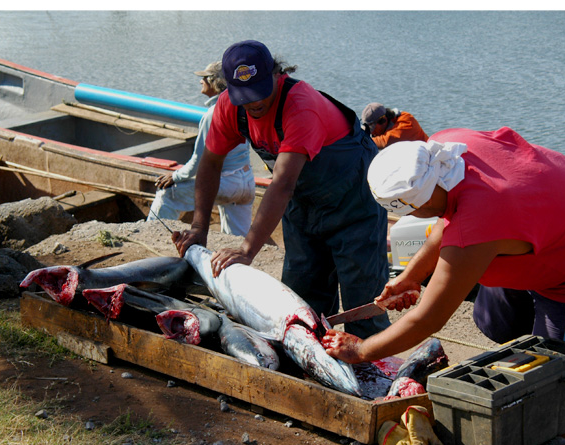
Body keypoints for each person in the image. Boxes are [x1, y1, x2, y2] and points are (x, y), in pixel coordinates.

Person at [322, 127, 565, 413]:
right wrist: (412, 276)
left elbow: (428, 318)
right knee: (494, 319)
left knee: (558, 378)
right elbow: (455, 217)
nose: (415, 215)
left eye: (411, 209)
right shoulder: (444, 150)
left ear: (421, 198)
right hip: (546, 220)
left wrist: (361, 349)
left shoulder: (478, 224)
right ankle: (533, 360)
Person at [172, 40, 390, 339]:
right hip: (303, 204)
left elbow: (282, 184)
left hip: (355, 201)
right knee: (303, 305)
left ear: (277, 74)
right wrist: (198, 227)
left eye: (260, 92)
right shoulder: (228, 108)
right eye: (244, 96)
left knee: (362, 305)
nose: (254, 103)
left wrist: (248, 249)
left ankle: (376, 375)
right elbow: (210, 165)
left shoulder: (300, 105)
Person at [148, 61, 255, 237]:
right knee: (236, 239)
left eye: (204, 77)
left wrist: (174, 176)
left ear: (215, 82)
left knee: (167, 194)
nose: (201, 81)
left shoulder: (213, 113)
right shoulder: (242, 107)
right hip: (247, 182)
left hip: (225, 183)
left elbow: (198, 162)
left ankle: (153, 237)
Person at [361, 102, 429, 149]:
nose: (372, 133)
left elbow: (387, 141)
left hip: (427, 161)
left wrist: (362, 140)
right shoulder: (384, 127)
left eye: (373, 129)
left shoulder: (406, 121)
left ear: (383, 120)